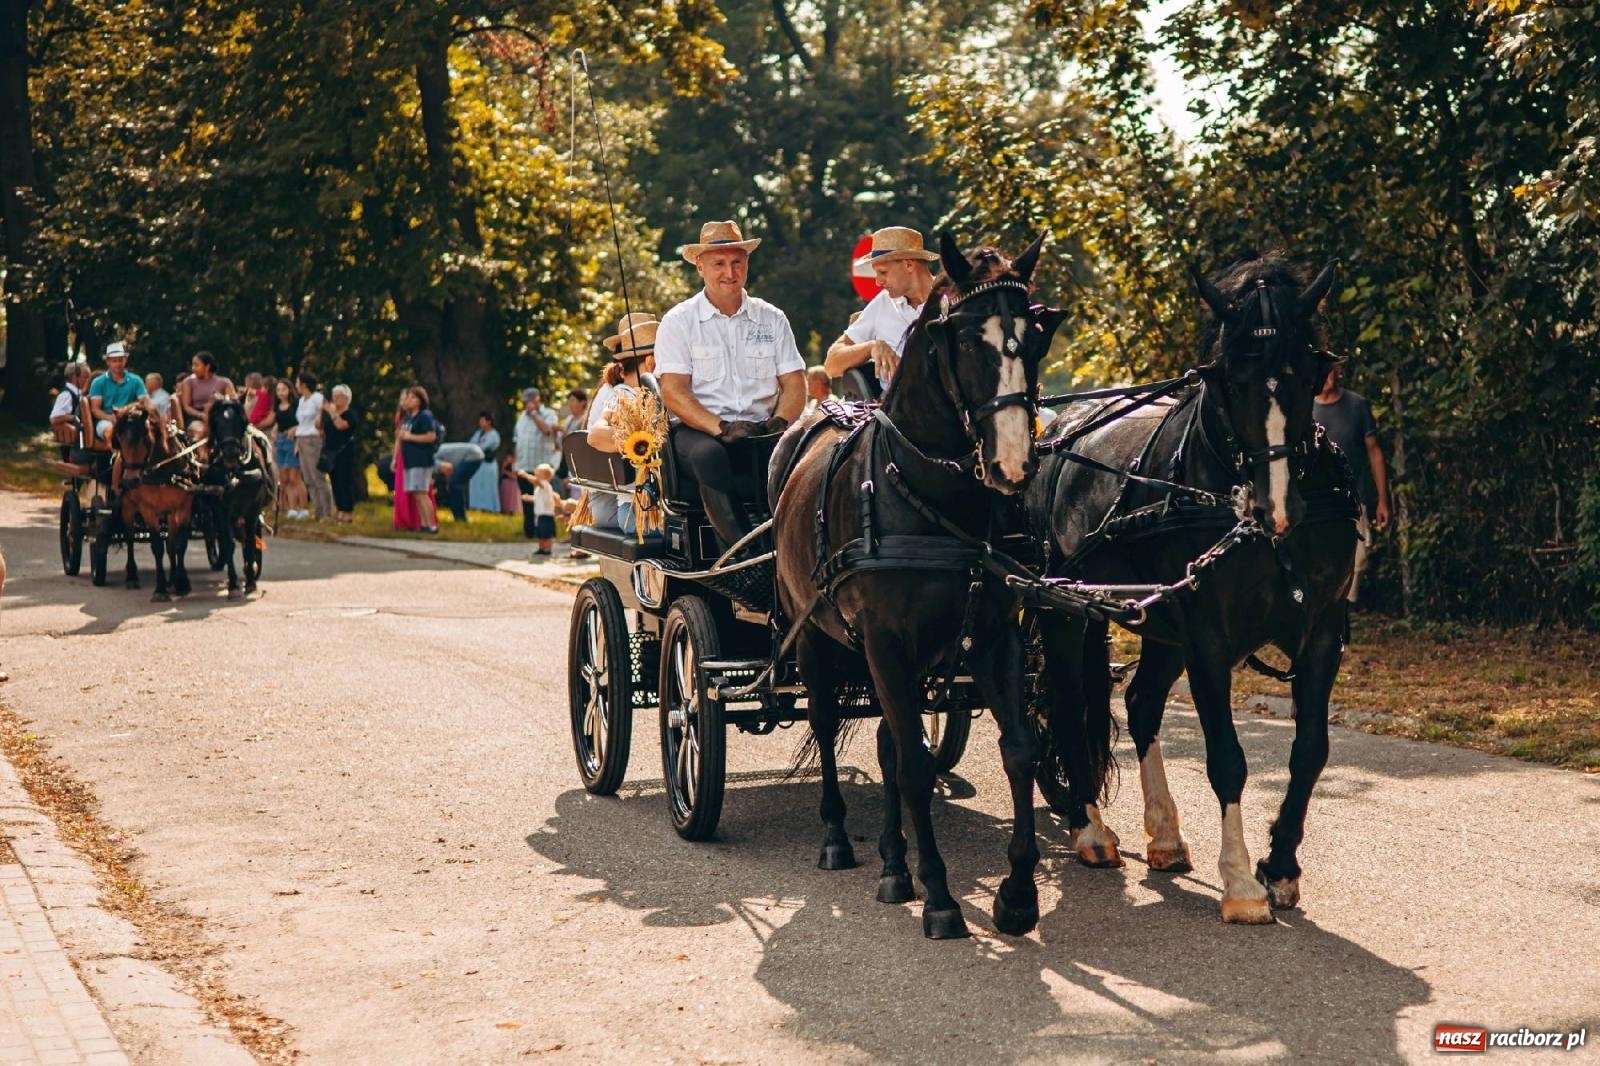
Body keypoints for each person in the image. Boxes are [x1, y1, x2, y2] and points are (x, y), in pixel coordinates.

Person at [654, 219, 805, 551]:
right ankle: (744, 553)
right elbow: (674, 392)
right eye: (719, 264)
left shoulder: (772, 318)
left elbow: (795, 384)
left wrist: (780, 423)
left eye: (737, 262)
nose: (730, 272)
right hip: (700, 431)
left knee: (808, 454)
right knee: (711, 456)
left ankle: (800, 548)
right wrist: (720, 427)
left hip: (762, 428)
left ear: (747, 263)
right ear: (700, 266)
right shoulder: (679, 321)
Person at [1313, 361, 1391, 607]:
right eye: (1321, 371)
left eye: (1331, 370)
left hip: (1353, 500)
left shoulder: (1357, 406)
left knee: (1357, 561)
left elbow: (1374, 452)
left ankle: (1343, 608)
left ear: (1338, 372)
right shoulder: (1304, 408)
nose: (1327, 377)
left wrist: (1383, 501)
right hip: (1315, 502)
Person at [823, 225, 941, 388]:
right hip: (892, 410)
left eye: (883, 272)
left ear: (909, 264)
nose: (878, 281)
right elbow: (831, 365)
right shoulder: (883, 302)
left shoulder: (952, 299)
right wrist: (871, 347)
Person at [585, 312, 659, 534]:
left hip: (641, 506)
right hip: (638, 509)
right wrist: (643, 443)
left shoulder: (646, 395)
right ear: (651, 362)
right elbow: (595, 435)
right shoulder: (624, 395)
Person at [514, 387, 562, 538]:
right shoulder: (522, 417)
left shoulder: (548, 414)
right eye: (525, 401)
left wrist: (534, 414)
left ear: (537, 399)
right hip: (524, 465)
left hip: (542, 468)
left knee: (545, 502)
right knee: (527, 500)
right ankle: (529, 532)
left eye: (530, 400)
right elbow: (517, 441)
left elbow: (547, 430)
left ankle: (548, 533)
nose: (527, 404)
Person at [396, 385, 440, 534]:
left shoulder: (424, 416)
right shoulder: (409, 418)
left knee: (422, 493)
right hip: (410, 461)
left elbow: (431, 436)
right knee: (416, 493)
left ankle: (431, 524)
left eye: (413, 397)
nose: (409, 400)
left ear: (420, 400)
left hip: (421, 460)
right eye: (408, 397)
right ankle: (423, 524)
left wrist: (410, 437)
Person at [87, 342, 148, 445]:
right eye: (114, 361)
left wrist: (131, 410)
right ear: (108, 362)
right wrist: (112, 418)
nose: (118, 364)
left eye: (120, 360)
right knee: (108, 430)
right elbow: (95, 409)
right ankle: (114, 455)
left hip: (132, 418)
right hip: (107, 419)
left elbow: (144, 401)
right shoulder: (98, 382)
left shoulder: (136, 380)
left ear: (125, 360)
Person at [294, 370, 335, 520]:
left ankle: (327, 511)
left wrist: (322, 423)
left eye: (298, 382)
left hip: (313, 438)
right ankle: (317, 511)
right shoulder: (301, 401)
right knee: (308, 478)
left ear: (304, 384)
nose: (296, 385)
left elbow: (327, 411)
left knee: (317, 476)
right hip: (302, 437)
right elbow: (301, 422)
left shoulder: (317, 398)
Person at [321, 384, 360, 523]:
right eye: (334, 396)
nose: (335, 399)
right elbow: (319, 427)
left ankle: (348, 511)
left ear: (347, 398)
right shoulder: (330, 415)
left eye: (339, 396)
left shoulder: (350, 414)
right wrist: (322, 412)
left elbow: (341, 426)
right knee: (335, 481)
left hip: (345, 452)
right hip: (332, 452)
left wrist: (332, 412)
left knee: (345, 481)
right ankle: (340, 509)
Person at [271, 379, 309, 518]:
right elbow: (278, 422)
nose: (281, 393)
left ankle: (303, 508)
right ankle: (292, 508)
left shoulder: (296, 405)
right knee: (284, 478)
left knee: (295, 478)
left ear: (289, 390)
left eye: (283, 389)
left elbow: (303, 423)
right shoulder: (277, 406)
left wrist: (296, 430)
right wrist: (275, 431)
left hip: (292, 441)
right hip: (280, 441)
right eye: (278, 390)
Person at [176, 351, 236, 431]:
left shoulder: (225, 382)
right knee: (201, 430)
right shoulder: (188, 382)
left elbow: (234, 402)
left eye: (196, 365)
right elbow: (187, 407)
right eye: (193, 365)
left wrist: (222, 398)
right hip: (196, 417)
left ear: (207, 366)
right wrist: (202, 415)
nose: (193, 368)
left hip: (220, 415)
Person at [434, 441, 486, 523]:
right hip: (474, 452)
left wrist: (448, 483)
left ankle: (460, 517)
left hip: (472, 455)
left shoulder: (431, 459)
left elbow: (448, 468)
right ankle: (459, 516)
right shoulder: (433, 452)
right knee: (455, 485)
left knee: (455, 485)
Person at [50, 361, 91, 458]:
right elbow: (54, 418)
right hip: (75, 444)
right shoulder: (67, 395)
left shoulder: (81, 394)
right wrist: (73, 417)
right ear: (74, 377)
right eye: (85, 377)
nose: (88, 381)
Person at [467, 413, 502, 513]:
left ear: (489, 422)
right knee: (476, 485)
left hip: (488, 463)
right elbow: (471, 444)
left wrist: (476, 447)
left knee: (488, 486)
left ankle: (490, 507)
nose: (481, 423)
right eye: (480, 421)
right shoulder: (478, 433)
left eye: (483, 421)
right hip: (478, 463)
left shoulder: (494, 435)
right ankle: (476, 505)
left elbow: (484, 446)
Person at [522, 463, 559, 554]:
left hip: (546, 514)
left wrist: (525, 475)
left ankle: (547, 548)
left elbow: (536, 481)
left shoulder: (545, 484)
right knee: (540, 533)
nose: (536, 475)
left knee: (546, 533)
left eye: (539, 473)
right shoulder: (539, 488)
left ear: (546, 476)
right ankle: (541, 548)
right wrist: (529, 498)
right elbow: (537, 499)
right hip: (539, 514)